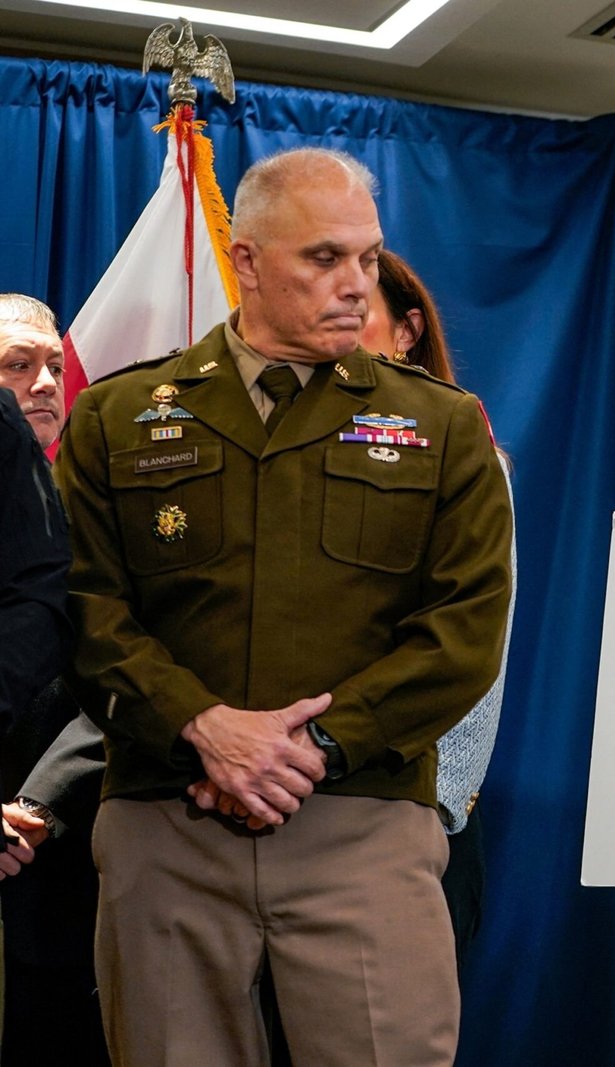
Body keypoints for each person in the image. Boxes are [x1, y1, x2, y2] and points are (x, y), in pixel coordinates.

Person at [53, 147, 512, 1065]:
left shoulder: (443, 426)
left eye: (368, 258)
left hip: (363, 820)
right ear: (249, 262)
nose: (357, 283)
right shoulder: (116, 416)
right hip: (169, 818)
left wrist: (313, 746)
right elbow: (84, 608)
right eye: (325, 257)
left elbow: (465, 631)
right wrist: (204, 728)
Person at [361, 246, 516, 966]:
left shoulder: (459, 451)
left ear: (408, 330)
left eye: (358, 309)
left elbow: (473, 643)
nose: (335, 325)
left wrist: (437, 805)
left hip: (411, 815)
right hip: (296, 815)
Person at [0, 294, 72, 1047]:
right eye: (18, 366)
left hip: (58, 843)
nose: (45, 383)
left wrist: (39, 804)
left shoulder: (108, 506)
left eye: (54, 365)